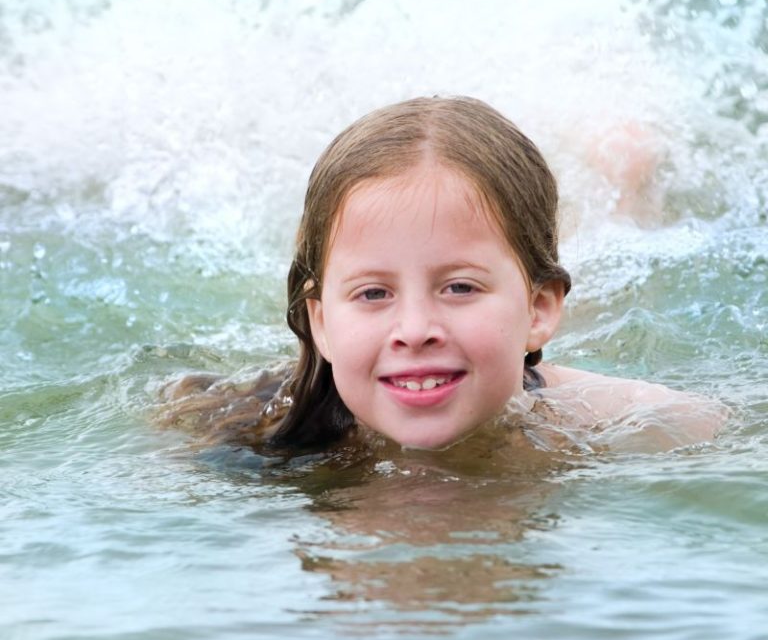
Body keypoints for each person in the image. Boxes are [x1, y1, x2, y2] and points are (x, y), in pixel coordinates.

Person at [163, 95, 723, 453]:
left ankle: (628, 182)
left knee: (623, 271)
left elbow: (706, 421)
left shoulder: (612, 423)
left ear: (539, 310)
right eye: (373, 293)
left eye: (459, 287)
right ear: (322, 324)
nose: (415, 330)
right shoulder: (245, 432)